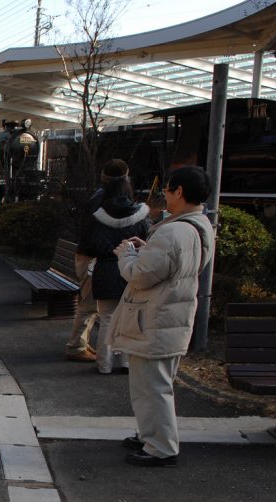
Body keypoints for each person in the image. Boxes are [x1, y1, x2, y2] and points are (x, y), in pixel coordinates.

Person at [107, 165, 215, 467]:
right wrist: (148, 248)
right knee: (154, 385)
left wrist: (126, 254)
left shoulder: (172, 231)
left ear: (179, 192)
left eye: (167, 190)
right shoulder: (200, 225)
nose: (165, 195)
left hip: (155, 319)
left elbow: (140, 276)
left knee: (152, 387)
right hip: (173, 317)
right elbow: (171, 266)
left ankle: (160, 447)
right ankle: (149, 435)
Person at [80, 159, 150, 374]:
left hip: (106, 269)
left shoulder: (98, 213)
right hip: (131, 270)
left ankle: (104, 364)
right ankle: (127, 363)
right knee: (130, 317)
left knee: (107, 318)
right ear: (127, 182)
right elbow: (146, 239)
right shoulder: (140, 213)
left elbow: (90, 244)